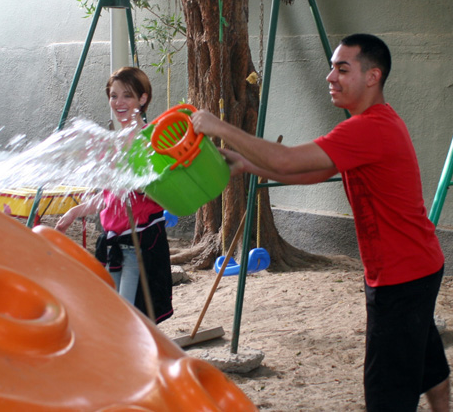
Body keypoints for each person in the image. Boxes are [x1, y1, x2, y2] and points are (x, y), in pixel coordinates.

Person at [191, 34, 450, 411]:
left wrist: (220, 127)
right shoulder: (371, 125)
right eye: (332, 67)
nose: (330, 76)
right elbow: (314, 170)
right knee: (425, 356)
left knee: (387, 391)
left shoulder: (367, 128)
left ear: (373, 77)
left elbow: (287, 160)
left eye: (342, 69)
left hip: (401, 277)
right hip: (419, 265)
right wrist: (248, 164)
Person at [56, 66, 173, 324]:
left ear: (143, 99)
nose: (119, 102)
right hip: (112, 244)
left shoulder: (151, 140)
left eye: (127, 96)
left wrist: (140, 184)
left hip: (139, 245)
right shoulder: (114, 143)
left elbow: (163, 191)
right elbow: (109, 197)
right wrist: (75, 211)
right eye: (114, 95)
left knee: (128, 318)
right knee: (109, 315)